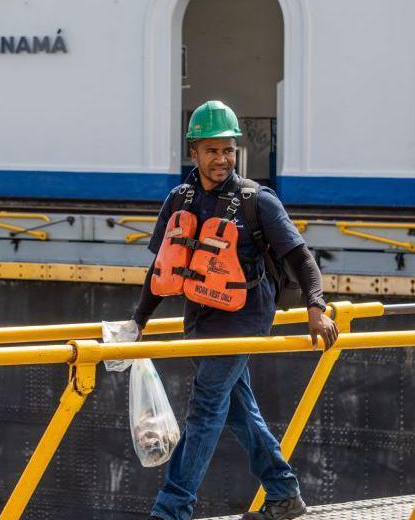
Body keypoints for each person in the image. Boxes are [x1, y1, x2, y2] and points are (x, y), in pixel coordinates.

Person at [131, 100, 337, 520]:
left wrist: (317, 306)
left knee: (206, 407)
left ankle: (171, 510)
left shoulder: (257, 202)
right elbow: (161, 266)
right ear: (193, 152)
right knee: (239, 410)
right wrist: (138, 321)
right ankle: (284, 495)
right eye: (212, 150)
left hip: (245, 319)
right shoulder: (179, 200)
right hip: (200, 319)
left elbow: (301, 259)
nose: (222, 159)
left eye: (228, 150)